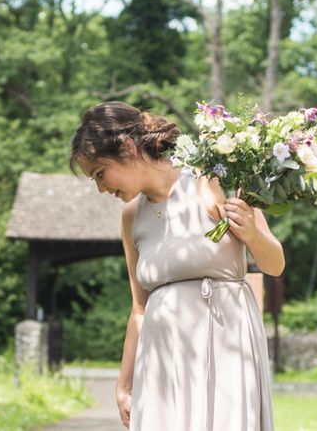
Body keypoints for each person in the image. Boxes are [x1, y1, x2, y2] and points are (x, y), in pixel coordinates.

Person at [70, 101, 285, 431]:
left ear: (128, 149)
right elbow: (139, 309)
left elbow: (275, 264)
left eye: (100, 173)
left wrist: (253, 233)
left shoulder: (210, 178)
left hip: (225, 343)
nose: (101, 188)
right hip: (163, 356)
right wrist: (123, 385)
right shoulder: (130, 218)